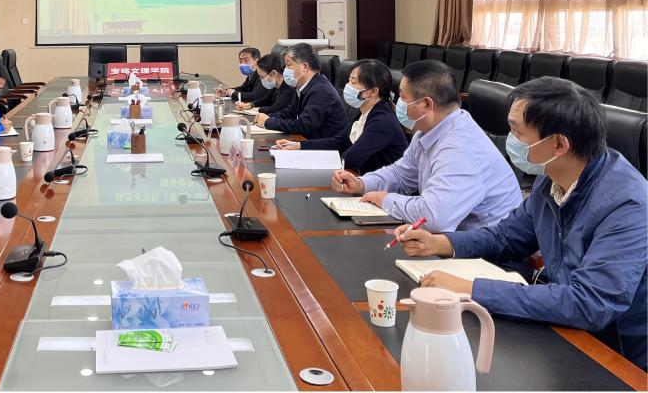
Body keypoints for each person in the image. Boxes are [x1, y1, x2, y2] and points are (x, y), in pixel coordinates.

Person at [393, 77, 647, 369]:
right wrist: (442, 243)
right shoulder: (550, 179)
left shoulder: (627, 204)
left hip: (618, 358)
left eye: (516, 131)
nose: (509, 139)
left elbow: (589, 303)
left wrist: (471, 289)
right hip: (563, 332)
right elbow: (505, 237)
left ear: (559, 143)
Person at [331, 60, 521, 232]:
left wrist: (385, 199)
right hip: (454, 238)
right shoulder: (428, 130)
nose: (397, 104)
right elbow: (401, 174)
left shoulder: (458, 148)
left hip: (489, 250)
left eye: (403, 98)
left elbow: (434, 217)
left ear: (426, 104)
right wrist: (362, 184)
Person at [275, 59, 408, 175]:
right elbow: (337, 142)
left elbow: (350, 158)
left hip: (383, 189)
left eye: (353, 82)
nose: (347, 86)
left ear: (373, 91)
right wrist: (299, 145)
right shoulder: (364, 113)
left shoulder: (382, 121)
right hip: (363, 180)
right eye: (349, 80)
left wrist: (308, 160)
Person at [254, 43, 347, 138]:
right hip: (307, 140)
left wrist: (269, 122)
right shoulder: (304, 87)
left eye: (288, 65)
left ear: (305, 67)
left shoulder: (321, 90)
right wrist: (269, 117)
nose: (285, 70)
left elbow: (304, 125)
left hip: (321, 145)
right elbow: (290, 112)